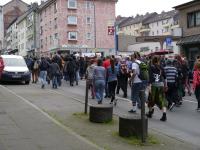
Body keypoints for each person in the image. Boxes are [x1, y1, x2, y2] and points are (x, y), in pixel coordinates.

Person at [146, 56, 167, 122]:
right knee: (162, 100)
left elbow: (150, 78)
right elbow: (165, 78)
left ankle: (150, 113)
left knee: (151, 99)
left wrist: (149, 86)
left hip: (154, 86)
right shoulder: (161, 67)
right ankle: (164, 115)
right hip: (161, 85)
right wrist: (166, 85)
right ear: (159, 61)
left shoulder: (151, 67)